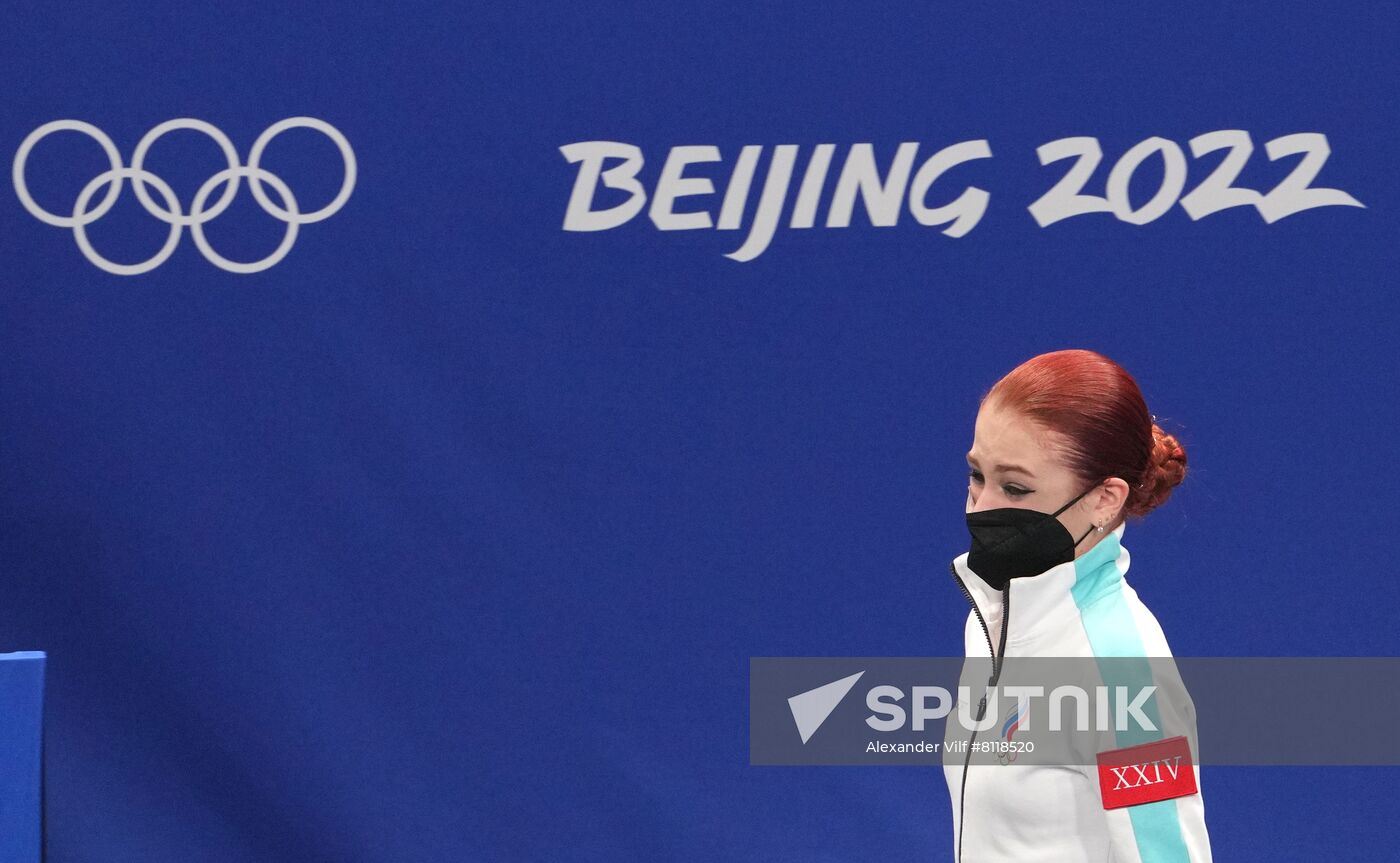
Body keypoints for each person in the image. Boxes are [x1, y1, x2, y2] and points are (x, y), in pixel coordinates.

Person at [942, 349, 1213, 862]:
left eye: (1015, 487)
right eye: (977, 475)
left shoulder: (1123, 671)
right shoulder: (995, 618)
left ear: (1105, 499)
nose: (982, 507)